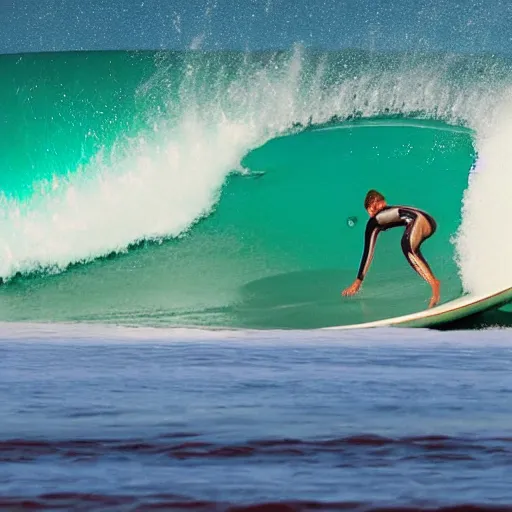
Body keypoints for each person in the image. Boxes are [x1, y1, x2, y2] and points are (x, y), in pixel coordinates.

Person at [342, 189, 440, 308]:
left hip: (419, 221)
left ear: (372, 206)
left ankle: (434, 284)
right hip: (429, 221)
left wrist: (358, 281)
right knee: (412, 249)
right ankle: (433, 282)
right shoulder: (390, 209)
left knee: (407, 245)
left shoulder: (374, 221)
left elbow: (368, 252)